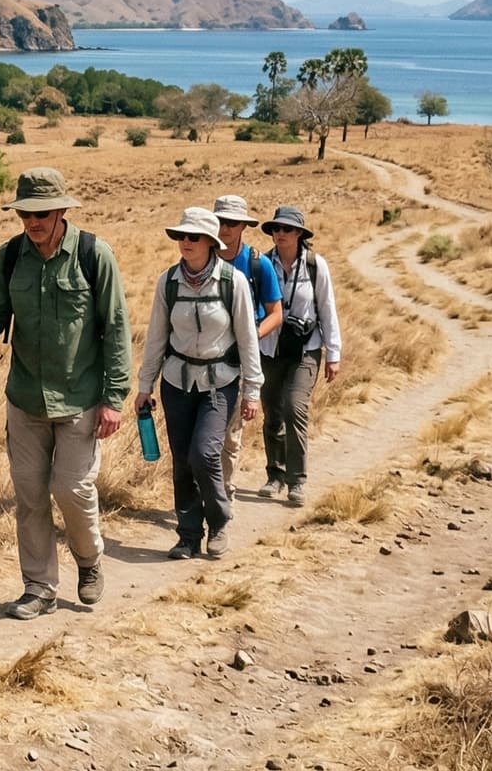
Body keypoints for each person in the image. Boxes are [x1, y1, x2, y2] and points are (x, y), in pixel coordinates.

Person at [0, 168, 132, 619]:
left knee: (71, 489)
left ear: (62, 211)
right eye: (26, 213)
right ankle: (39, 587)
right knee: (30, 495)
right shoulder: (9, 257)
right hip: (25, 398)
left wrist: (115, 398)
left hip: (81, 398)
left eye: (42, 213)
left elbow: (116, 328)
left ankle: (89, 560)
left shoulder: (94, 255)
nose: (33, 222)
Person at [134, 207, 262, 560]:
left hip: (220, 383)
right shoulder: (168, 282)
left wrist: (252, 390)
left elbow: (248, 339)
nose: (185, 242)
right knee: (182, 461)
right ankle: (188, 535)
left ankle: (218, 521)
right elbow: (157, 337)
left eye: (193, 237)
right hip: (176, 382)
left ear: (210, 242)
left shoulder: (231, 282)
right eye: (181, 236)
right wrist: (145, 385)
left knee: (204, 453)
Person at [256, 205, 342, 509]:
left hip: (306, 349)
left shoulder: (316, 266)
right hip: (270, 349)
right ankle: (274, 475)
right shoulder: (263, 264)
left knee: (294, 409)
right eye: (276, 229)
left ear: (300, 234)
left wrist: (334, 352)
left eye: (287, 229)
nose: (280, 234)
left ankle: (297, 480)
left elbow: (327, 308)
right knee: (272, 413)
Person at [210, 195, 282, 495]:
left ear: (244, 227)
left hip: (238, 361)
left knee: (230, 435)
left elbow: (276, 313)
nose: (225, 229)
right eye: (220, 222)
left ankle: (223, 492)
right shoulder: (199, 256)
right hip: (202, 359)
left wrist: (250, 336)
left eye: (232, 223)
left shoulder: (257, 264)